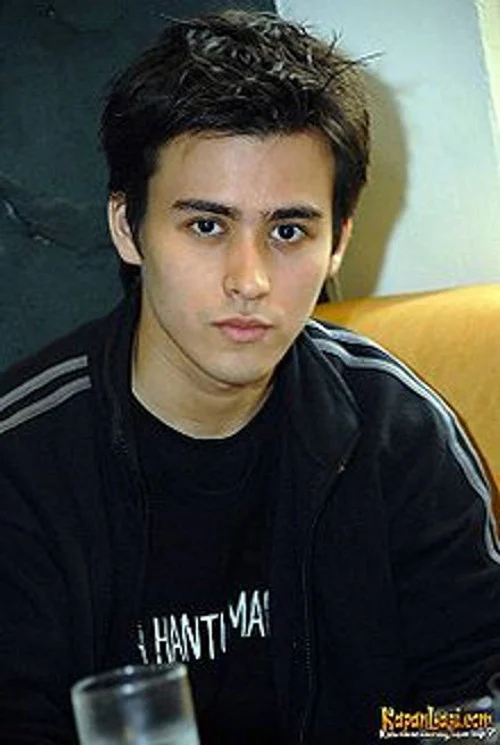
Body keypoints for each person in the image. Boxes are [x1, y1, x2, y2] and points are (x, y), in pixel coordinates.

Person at [1, 9, 500, 745]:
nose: (250, 279)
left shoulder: (398, 431)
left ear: (338, 243)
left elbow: (474, 703)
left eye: (289, 231)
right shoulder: (23, 467)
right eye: (206, 225)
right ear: (127, 227)